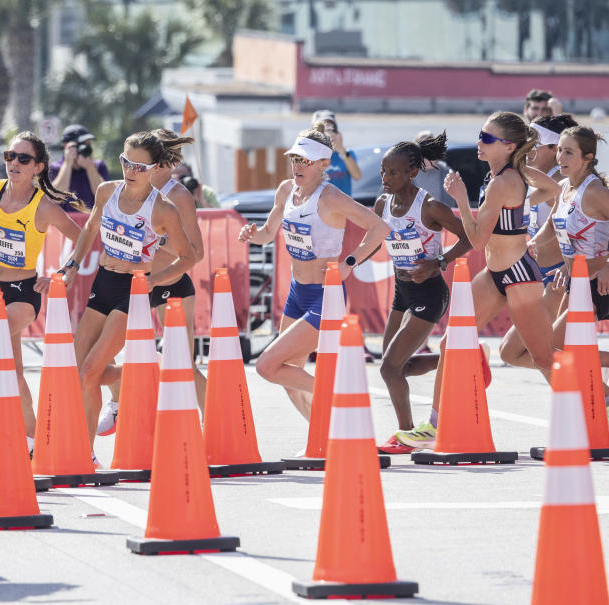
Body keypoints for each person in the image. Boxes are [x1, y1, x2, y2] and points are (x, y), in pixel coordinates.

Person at [397, 112, 561, 450]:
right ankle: (434, 424)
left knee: (543, 357)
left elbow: (477, 239)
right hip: (496, 274)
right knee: (450, 342)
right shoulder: (503, 173)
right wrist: (522, 176)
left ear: (509, 145)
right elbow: (552, 187)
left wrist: (458, 197)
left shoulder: (504, 181)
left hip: (519, 276)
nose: (478, 143)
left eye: (486, 138)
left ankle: (594, 404)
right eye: (480, 135)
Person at [239, 127, 388, 423]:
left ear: (323, 164)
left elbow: (380, 228)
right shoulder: (285, 190)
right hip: (298, 293)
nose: (298, 166)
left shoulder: (331, 197)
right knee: (287, 375)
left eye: (306, 161)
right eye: (295, 159)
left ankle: (338, 396)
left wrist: (350, 262)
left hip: (325, 296)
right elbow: (269, 233)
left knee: (267, 366)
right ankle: (324, 435)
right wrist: (251, 235)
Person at [64, 131, 196, 463]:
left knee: (90, 372)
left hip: (133, 291)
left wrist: (153, 279)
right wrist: (71, 265)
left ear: (154, 169)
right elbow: (90, 229)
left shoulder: (162, 209)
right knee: (75, 369)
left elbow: (190, 256)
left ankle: (86, 453)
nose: (130, 171)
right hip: (104, 281)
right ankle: (140, 374)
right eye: (126, 162)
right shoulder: (107, 191)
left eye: (139, 166)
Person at [0, 132, 85, 450]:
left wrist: (62, 273)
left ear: (38, 167)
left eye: (24, 159)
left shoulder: (43, 207)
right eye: (10, 156)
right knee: (16, 371)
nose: (14, 163)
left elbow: (82, 237)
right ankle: (36, 437)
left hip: (24, 294)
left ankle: (10, 415)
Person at [96, 128, 204, 436]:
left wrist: (155, 239)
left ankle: (211, 423)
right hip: (131, 285)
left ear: (161, 161)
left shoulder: (177, 195)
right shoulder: (125, 189)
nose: (138, 164)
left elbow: (196, 252)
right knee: (107, 347)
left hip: (168, 283)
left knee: (183, 363)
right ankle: (117, 402)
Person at [371, 133, 472, 454]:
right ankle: (454, 363)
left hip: (428, 291)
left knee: (389, 368)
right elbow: (372, 238)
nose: (386, 178)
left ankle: (406, 435)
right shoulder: (382, 203)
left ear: (412, 173)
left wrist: (438, 262)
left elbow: (469, 238)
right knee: (393, 367)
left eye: (394, 172)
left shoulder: (429, 206)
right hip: (402, 290)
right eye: (383, 171)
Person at [502, 125, 609, 371]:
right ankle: (596, 398)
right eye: (560, 150)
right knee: (556, 352)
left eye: (569, 152)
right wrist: (531, 245)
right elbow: (551, 225)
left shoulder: (595, 192)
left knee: (556, 348)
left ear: (588, 158)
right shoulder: (564, 188)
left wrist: (607, 267)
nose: (560, 157)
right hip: (574, 280)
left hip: (597, 283)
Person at [498, 114, 578, 367]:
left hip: (556, 278)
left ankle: (595, 394)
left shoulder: (559, 181)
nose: (528, 149)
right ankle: (593, 396)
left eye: (534, 145)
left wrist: (530, 244)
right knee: (540, 354)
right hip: (537, 276)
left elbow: (557, 226)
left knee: (519, 351)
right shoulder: (535, 179)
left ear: (554, 149)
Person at [48, 124, 109, 210]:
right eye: (81, 144)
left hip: (92, 222)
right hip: (65, 222)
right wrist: (68, 163)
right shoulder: (54, 168)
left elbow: (106, 199)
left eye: (87, 144)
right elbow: (54, 198)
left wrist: (90, 167)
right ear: (66, 146)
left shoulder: (99, 166)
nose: (85, 148)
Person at [316, 116, 361, 196]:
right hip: (322, 204)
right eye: (326, 130)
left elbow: (357, 176)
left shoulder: (348, 153)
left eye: (333, 130)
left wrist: (341, 149)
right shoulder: (313, 156)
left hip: (344, 205)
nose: (330, 134)